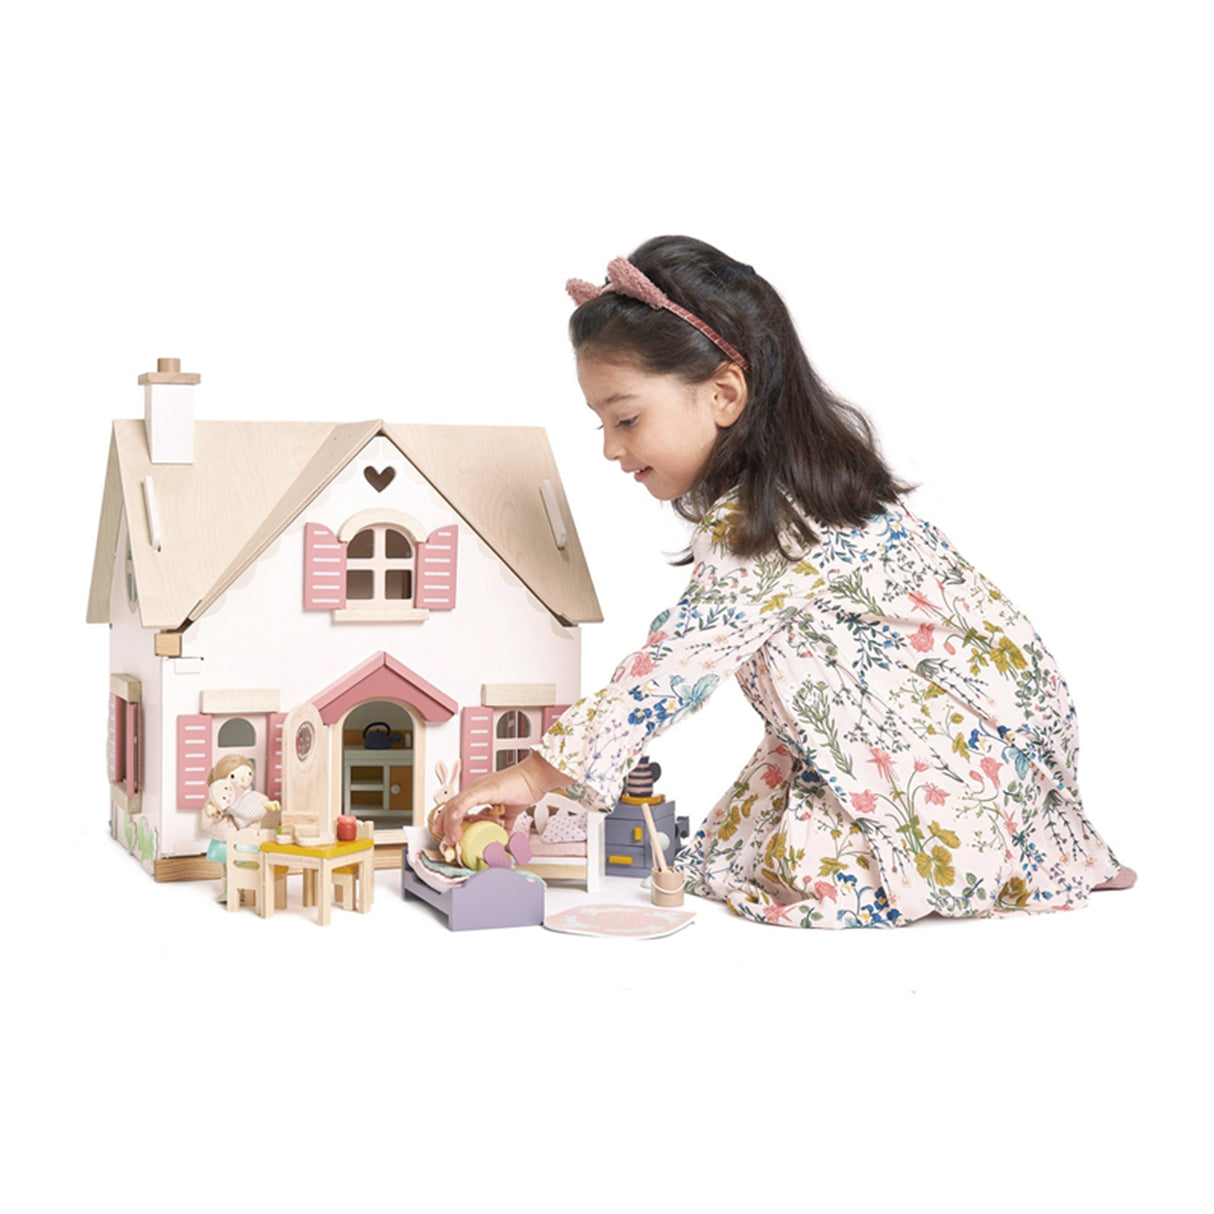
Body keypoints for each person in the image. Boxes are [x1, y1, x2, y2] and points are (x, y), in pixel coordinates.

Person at [436, 235, 1134, 928]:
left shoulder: (773, 528)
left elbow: (673, 666)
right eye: (601, 423)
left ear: (724, 393)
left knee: (810, 880)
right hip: (976, 733)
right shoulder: (799, 503)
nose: (612, 448)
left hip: (972, 747)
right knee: (728, 856)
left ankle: (1014, 843)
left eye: (626, 418)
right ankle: (1037, 842)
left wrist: (531, 778)